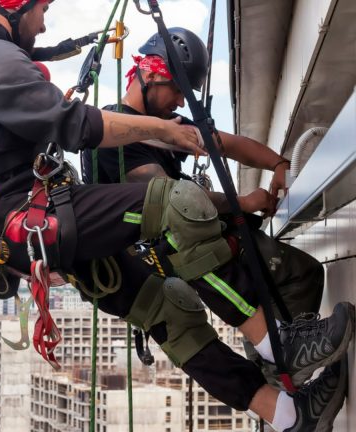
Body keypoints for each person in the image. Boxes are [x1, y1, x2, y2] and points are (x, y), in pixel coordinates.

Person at [0, 1, 353, 430]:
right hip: (27, 219)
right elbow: (77, 125)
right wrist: (163, 131)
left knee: (169, 310)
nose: (42, 25)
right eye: (42, 10)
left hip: (22, 228)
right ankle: (278, 344)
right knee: (180, 203)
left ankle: (292, 417)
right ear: (16, 5)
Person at [85, 27, 327, 384]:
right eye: (178, 90)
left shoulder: (163, 127)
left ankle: (277, 368)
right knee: (301, 273)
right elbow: (167, 195)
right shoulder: (117, 134)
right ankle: (282, 372)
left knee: (287, 280)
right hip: (171, 251)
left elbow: (225, 144)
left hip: (187, 243)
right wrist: (242, 202)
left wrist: (278, 164)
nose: (181, 102)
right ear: (150, 74)